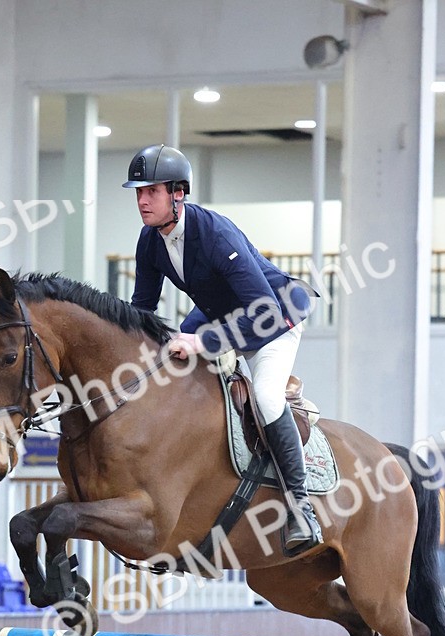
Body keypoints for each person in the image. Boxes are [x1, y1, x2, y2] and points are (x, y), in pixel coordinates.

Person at [123, 143, 324, 555]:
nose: (142, 201)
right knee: (173, 356)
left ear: (178, 193)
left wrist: (204, 341)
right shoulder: (150, 241)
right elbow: (141, 310)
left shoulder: (215, 233)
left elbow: (261, 310)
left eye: (152, 192)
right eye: (139, 192)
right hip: (220, 313)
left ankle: (301, 506)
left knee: (266, 396)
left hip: (274, 319)